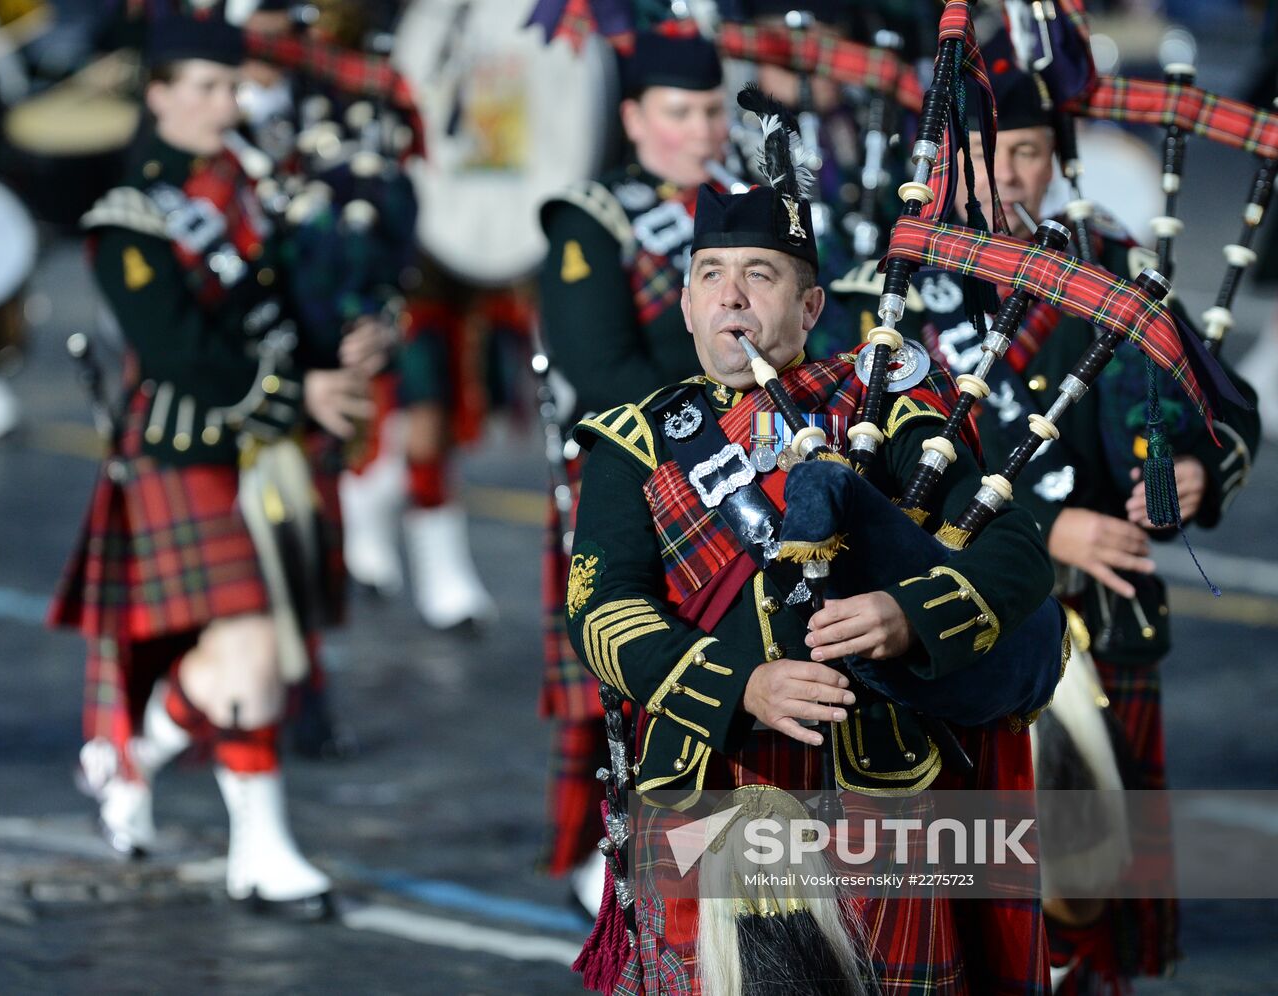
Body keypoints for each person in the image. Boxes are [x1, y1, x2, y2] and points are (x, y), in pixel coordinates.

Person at [564, 93, 1060, 991]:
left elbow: (1015, 551)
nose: (731, 296)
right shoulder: (632, 442)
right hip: (709, 783)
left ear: (809, 305)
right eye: (710, 275)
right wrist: (743, 685)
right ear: (687, 306)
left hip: (876, 782)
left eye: (759, 274)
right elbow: (603, 613)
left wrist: (907, 614)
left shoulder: (888, 409)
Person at [827, 42, 1261, 991]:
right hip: (955, 623)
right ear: (947, 161)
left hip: (1104, 613)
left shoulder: (1114, 269)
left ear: (1056, 157)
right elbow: (859, 468)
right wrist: (1046, 526)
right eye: (989, 154)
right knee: (976, 899)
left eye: (1028, 152)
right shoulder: (888, 290)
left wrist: (1196, 468)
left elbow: (1226, 409)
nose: (1010, 175)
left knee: (1091, 892)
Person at [48, 15, 378, 916]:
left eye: (231, 87)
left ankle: (134, 755)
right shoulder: (130, 217)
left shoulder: (256, 182)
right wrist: (300, 392)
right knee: (253, 651)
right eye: (202, 87)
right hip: (183, 449)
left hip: (270, 450)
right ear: (156, 95)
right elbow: (178, 353)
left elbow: (291, 297)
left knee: (254, 662)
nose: (222, 104)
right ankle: (258, 852)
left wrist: (353, 335)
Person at [533, 30, 734, 910]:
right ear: (634, 117)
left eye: (713, 110)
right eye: (679, 111)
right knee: (641, 670)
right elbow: (600, 368)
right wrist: (714, 435)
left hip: (751, 468)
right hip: (646, 473)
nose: (702, 130)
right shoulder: (593, 217)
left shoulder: (749, 205)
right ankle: (615, 860)